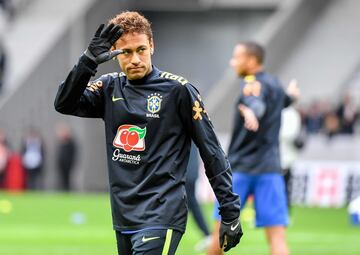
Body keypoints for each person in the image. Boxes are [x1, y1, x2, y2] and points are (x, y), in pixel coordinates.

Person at [54, 11, 242, 255]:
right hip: (124, 216)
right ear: (113, 53)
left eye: (141, 49)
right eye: (126, 52)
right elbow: (64, 103)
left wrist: (230, 211)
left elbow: (212, 151)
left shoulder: (179, 91)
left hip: (162, 214)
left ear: (152, 46)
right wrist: (88, 61)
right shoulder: (109, 86)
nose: (134, 59)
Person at [207, 42, 299, 255]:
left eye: (236, 57)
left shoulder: (251, 83)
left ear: (251, 61)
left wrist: (252, 113)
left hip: (240, 170)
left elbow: (255, 101)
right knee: (277, 237)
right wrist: (293, 96)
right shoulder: (275, 84)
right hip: (270, 169)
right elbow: (282, 101)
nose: (233, 62)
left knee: (221, 233)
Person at [185, 142, 211, 252]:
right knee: (190, 204)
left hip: (187, 171)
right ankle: (207, 234)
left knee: (190, 203)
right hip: (187, 170)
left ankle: (208, 235)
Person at [280, 104, 302, 213]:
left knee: (283, 187)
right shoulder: (292, 113)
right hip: (279, 158)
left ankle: (284, 213)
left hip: (284, 159)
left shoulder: (290, 114)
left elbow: (290, 134)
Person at [55, 124, 77, 191]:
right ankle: (62, 190)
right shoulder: (61, 142)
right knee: (61, 178)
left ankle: (67, 190)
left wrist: (71, 163)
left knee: (67, 178)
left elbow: (73, 154)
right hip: (61, 164)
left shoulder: (71, 142)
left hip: (68, 164)